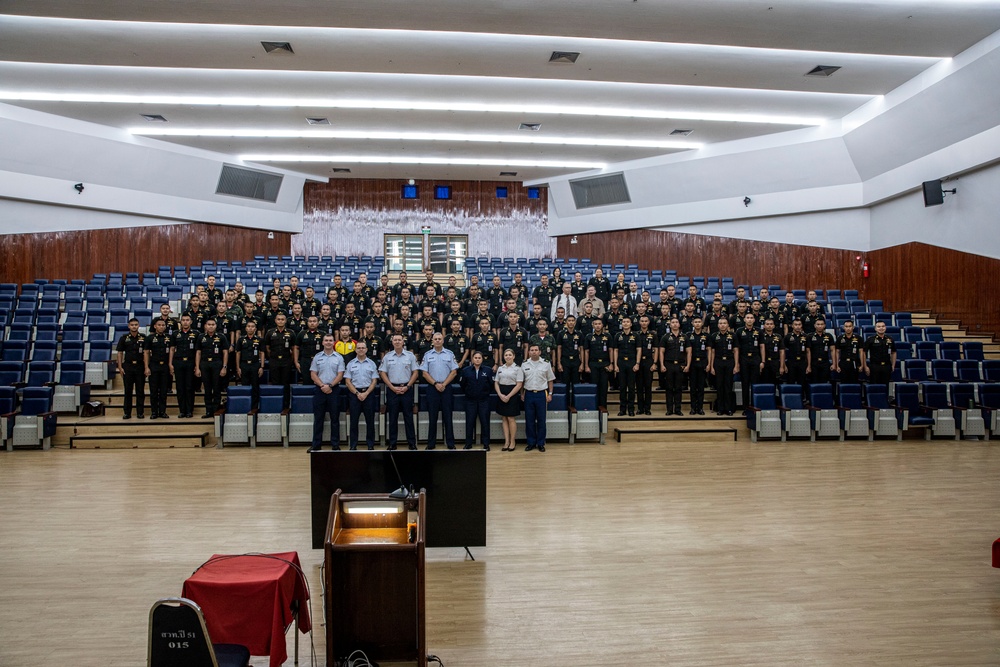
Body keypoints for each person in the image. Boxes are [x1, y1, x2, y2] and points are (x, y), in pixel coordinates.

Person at [379, 333, 420, 450]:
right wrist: (392, 387)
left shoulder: (410, 356)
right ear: (392, 342)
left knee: (408, 417)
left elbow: (415, 373)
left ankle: (412, 443)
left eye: (399, 340)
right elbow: (382, 373)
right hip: (392, 391)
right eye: (395, 340)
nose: (397, 342)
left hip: (407, 389)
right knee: (392, 418)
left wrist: (407, 386)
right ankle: (392, 443)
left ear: (403, 342)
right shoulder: (387, 357)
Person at [419, 332, 459, 450]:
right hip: (432, 388)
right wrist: (436, 384)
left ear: (443, 341)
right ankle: (431, 444)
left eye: (439, 339)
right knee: (432, 417)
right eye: (435, 339)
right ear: (432, 341)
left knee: (448, 416)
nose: (437, 341)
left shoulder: (449, 354)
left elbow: (454, 372)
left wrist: (444, 384)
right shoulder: (427, 355)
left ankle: (450, 443)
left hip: (446, 388)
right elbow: (424, 373)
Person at [308, 333, 346, 451]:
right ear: (323, 342)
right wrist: (322, 385)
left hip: (334, 390)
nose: (328, 342)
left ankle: (335, 445)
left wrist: (330, 386)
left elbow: (340, 375)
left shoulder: (339, 357)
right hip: (319, 390)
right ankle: (316, 445)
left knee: (335, 419)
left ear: (333, 342)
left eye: (330, 340)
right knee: (318, 418)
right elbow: (313, 374)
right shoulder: (317, 357)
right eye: (326, 340)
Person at [344, 340, 380, 450]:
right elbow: (348, 381)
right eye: (358, 348)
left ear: (366, 350)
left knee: (370, 421)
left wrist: (366, 393)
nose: (361, 350)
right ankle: (353, 445)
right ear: (355, 350)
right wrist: (357, 393)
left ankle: (370, 445)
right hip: (355, 395)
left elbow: (374, 381)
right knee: (353, 422)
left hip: (368, 394)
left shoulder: (371, 363)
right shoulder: (350, 364)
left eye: (363, 348)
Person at [521, 344, 556, 452]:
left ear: (540, 352)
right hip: (529, 394)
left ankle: (541, 443)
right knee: (529, 420)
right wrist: (522, 394)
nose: (534, 352)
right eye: (532, 350)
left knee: (541, 420)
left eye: (536, 350)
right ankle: (531, 443)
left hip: (541, 394)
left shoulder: (546, 364)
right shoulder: (524, 364)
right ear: (529, 352)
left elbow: (550, 379)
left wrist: (550, 393)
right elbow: (521, 381)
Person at [194, 318, 228, 418]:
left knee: (216, 388)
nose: (211, 326)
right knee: (207, 389)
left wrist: (224, 367)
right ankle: (208, 411)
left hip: (217, 364)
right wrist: (197, 367)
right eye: (209, 324)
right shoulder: (201, 337)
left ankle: (216, 411)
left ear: (216, 326)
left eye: (213, 324)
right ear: (205, 326)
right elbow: (198, 352)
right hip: (204, 364)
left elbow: (225, 352)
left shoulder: (221, 336)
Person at [460, 351, 493, 450]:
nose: (477, 359)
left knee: (485, 422)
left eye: (479, 358)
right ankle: (468, 443)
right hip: (470, 401)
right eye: (476, 358)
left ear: (482, 359)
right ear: (472, 359)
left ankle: (486, 444)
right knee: (470, 422)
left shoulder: (488, 370)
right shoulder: (466, 370)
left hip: (484, 400)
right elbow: (463, 385)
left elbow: (491, 384)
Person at [169, 314, 199, 418]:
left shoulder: (196, 333)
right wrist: (170, 363)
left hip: (190, 362)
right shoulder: (175, 334)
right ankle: (182, 410)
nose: (185, 322)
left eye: (187, 320)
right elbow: (172, 349)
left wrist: (197, 365)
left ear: (191, 322)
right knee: (180, 387)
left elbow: (197, 351)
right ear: (180, 322)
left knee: (190, 387)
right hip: (178, 362)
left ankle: (190, 410)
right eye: (183, 320)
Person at [494, 348, 524, 451]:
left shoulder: (518, 369)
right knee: (504, 418)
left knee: (511, 418)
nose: (508, 357)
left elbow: (519, 384)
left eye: (510, 355)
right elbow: (496, 382)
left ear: (514, 356)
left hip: (512, 393)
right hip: (501, 393)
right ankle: (506, 441)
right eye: (506, 355)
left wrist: (508, 396)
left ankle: (512, 441)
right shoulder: (500, 368)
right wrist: (500, 394)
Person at [116, 318, 146, 420]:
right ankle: (127, 413)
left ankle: (140, 412)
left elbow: (147, 353)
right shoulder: (124, 338)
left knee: (140, 391)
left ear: (139, 326)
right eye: (132, 325)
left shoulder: (143, 337)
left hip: (140, 367)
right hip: (128, 367)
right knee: (128, 391)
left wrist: (146, 367)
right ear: (129, 326)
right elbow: (120, 353)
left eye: (136, 324)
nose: (134, 326)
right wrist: (120, 367)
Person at [265, 312, 296, 409]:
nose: (280, 321)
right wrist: (272, 356)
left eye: (282, 319)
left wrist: (292, 360)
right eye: (278, 319)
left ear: (286, 321)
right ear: (275, 321)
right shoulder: (270, 332)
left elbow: (294, 348)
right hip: (274, 360)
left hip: (286, 361)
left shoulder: (291, 332)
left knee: (286, 383)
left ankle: (286, 405)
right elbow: (267, 348)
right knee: (275, 383)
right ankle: (276, 404)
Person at [144, 318, 172, 419]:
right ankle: (154, 412)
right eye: (159, 325)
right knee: (154, 391)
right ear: (155, 326)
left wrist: (170, 365)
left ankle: (163, 411)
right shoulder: (149, 338)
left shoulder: (169, 337)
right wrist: (146, 367)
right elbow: (146, 352)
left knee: (164, 391)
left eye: (163, 325)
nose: (161, 327)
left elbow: (172, 351)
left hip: (164, 366)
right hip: (154, 365)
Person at [708, 318, 737, 415]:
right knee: (719, 386)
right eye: (720, 323)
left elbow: (736, 351)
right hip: (718, 362)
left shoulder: (733, 335)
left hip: (729, 361)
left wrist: (736, 365)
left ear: (728, 325)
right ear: (718, 325)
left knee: (728, 386)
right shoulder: (714, 336)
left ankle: (728, 408)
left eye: (724, 323)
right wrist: (711, 366)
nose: (722, 325)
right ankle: (720, 408)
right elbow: (712, 352)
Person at [613, 316, 640, 416]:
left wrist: (637, 363)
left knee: (632, 388)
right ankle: (622, 409)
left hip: (632, 363)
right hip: (621, 363)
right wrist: (615, 364)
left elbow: (639, 350)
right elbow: (615, 350)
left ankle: (631, 409)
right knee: (623, 387)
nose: (625, 323)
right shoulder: (617, 335)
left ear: (631, 324)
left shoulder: (636, 335)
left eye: (627, 322)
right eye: (623, 322)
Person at [583, 318, 613, 410]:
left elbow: (611, 350)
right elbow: (586, 352)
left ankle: (603, 409)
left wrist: (611, 364)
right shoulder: (589, 336)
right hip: (593, 364)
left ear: (602, 325)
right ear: (593, 325)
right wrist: (586, 365)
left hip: (605, 364)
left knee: (603, 388)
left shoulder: (608, 336)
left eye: (599, 324)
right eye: (595, 324)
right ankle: (594, 409)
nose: (597, 325)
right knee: (594, 387)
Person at [235, 319, 264, 410]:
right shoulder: (241, 340)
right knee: (245, 386)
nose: (250, 328)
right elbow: (238, 353)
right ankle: (245, 406)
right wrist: (238, 367)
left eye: (252, 327)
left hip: (255, 365)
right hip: (244, 365)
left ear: (255, 329)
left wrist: (262, 367)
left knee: (255, 387)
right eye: (248, 326)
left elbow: (262, 353)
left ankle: (254, 407)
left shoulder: (259, 339)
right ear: (245, 328)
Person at [659, 317, 686, 416]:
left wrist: (686, 364)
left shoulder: (684, 337)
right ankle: (669, 409)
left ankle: (678, 409)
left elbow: (688, 352)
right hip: (668, 364)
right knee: (669, 388)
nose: (674, 324)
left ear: (679, 324)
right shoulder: (665, 337)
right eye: (672, 322)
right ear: (670, 325)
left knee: (678, 388)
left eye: (676, 322)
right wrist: (662, 364)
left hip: (680, 365)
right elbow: (661, 352)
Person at [687, 318, 710, 415]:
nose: (697, 324)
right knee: (692, 387)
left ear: (702, 323)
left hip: (703, 362)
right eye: (695, 322)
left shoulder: (706, 336)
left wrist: (709, 364)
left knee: (701, 387)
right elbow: (687, 352)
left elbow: (709, 351)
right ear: (692, 323)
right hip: (692, 363)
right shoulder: (688, 335)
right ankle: (693, 408)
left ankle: (700, 408)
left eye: (699, 322)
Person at [635, 315, 657, 415]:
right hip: (638, 362)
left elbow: (656, 349)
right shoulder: (635, 335)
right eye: (642, 321)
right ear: (639, 323)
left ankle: (647, 408)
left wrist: (654, 363)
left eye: (646, 321)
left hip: (649, 361)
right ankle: (640, 408)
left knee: (648, 386)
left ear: (648, 322)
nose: (644, 323)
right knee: (639, 386)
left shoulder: (653, 334)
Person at [864, 320, 897, 387]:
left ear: (885, 328)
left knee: (885, 386)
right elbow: (864, 352)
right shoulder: (870, 339)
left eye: (883, 326)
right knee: (875, 386)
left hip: (886, 366)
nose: (881, 328)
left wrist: (893, 365)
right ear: (875, 329)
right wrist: (865, 366)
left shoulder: (890, 339)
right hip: (874, 366)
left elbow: (893, 352)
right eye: (879, 327)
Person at [807, 318, 837, 384]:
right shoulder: (810, 336)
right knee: (814, 382)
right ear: (814, 325)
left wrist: (834, 364)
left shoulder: (829, 336)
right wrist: (808, 365)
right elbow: (808, 352)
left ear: (824, 325)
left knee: (824, 382)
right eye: (818, 324)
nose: (820, 326)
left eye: (821, 324)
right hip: (814, 362)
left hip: (825, 362)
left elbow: (832, 350)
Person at [836, 320, 866, 384]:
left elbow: (861, 352)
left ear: (853, 327)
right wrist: (837, 365)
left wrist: (862, 365)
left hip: (854, 363)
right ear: (843, 327)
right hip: (843, 363)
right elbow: (837, 352)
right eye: (846, 326)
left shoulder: (858, 338)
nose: (848, 328)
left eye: (850, 326)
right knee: (843, 382)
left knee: (854, 382)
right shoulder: (840, 338)